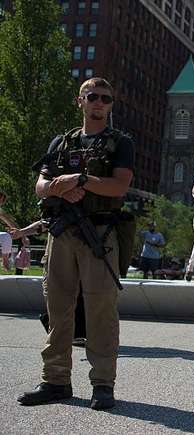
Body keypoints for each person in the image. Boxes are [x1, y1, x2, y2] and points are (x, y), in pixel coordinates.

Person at [18, 77, 133, 410]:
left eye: (106, 98)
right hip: (61, 233)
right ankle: (55, 381)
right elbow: (40, 184)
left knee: (100, 310)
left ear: (111, 104)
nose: (99, 102)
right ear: (79, 101)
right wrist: (59, 188)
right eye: (92, 96)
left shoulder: (119, 143)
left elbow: (119, 187)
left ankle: (102, 384)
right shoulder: (61, 142)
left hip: (99, 234)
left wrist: (81, 180)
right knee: (58, 308)